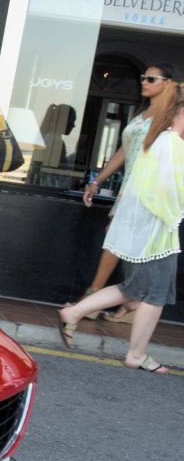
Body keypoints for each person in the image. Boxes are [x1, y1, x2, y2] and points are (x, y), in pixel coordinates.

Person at [59, 82, 184, 374]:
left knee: (135, 289)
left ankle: (73, 311)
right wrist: (175, 216)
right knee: (153, 295)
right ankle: (137, 354)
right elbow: (162, 193)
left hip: (148, 231)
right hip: (155, 234)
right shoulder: (171, 144)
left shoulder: (162, 140)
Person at [77, 62, 180, 321]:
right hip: (130, 189)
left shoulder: (171, 116)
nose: (144, 82)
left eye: (151, 79)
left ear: (167, 83)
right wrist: (97, 181)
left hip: (149, 191)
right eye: (143, 78)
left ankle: (94, 299)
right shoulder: (142, 113)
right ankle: (128, 302)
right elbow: (124, 150)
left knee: (119, 239)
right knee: (121, 240)